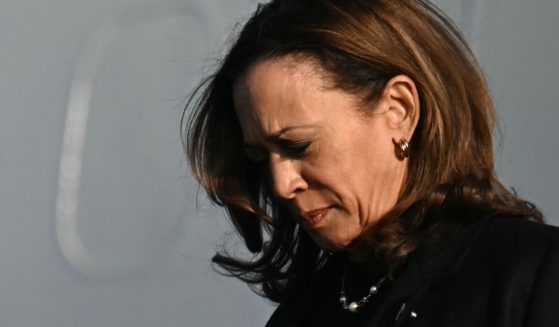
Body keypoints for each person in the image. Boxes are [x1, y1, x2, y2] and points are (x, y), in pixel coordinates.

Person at [183, 0, 559, 326]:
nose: (282, 184)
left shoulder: (530, 276)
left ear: (399, 109)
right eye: (261, 158)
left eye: (299, 146)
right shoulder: (305, 312)